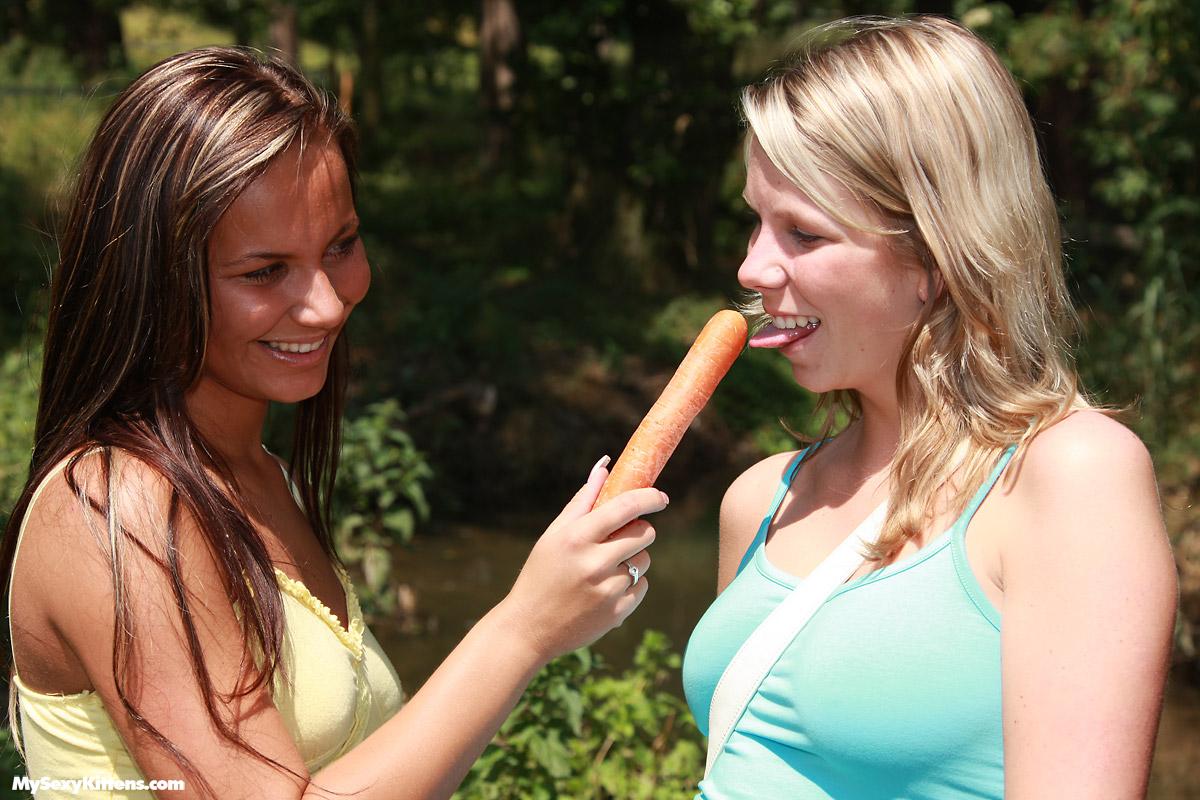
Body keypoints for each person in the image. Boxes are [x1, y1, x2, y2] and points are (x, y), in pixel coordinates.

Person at [1, 47, 665, 799]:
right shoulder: (115, 508)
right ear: (151, 280)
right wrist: (524, 630)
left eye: (341, 245)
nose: (325, 304)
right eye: (265, 271)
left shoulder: (263, 476)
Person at [682, 16, 1177, 799]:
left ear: (936, 256)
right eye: (757, 221)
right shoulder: (762, 499)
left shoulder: (1071, 478)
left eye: (803, 233)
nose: (752, 267)